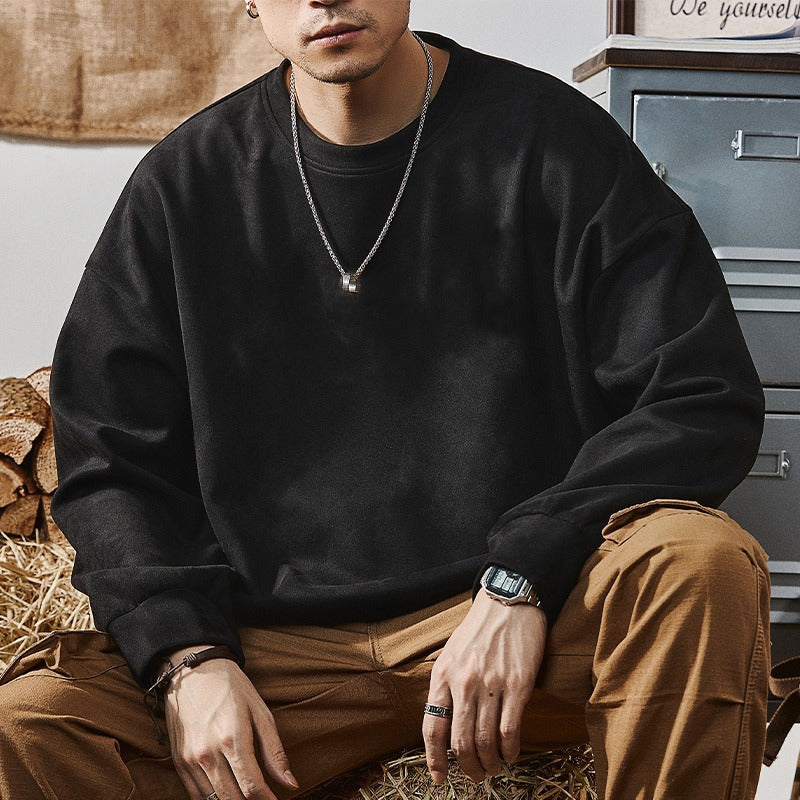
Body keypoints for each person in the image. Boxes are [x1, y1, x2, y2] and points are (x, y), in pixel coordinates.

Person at [0, 1, 771, 799]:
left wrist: (524, 577)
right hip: (279, 659)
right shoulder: (183, 184)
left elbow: (696, 394)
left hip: (522, 629)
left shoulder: (554, 140)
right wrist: (187, 659)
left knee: (699, 564)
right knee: (33, 726)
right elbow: (111, 465)